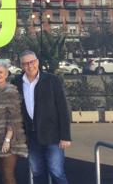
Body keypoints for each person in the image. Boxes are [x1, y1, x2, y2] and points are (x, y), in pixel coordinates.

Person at [13, 50, 71, 184]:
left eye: (32, 62)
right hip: (32, 137)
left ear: (37, 62)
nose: (29, 66)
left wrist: (65, 136)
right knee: (37, 172)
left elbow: (63, 108)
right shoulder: (17, 82)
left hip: (53, 136)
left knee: (56, 171)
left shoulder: (52, 80)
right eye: (25, 63)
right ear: (21, 66)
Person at [0, 59, 28, 184]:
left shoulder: (11, 91)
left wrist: (7, 140)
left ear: (6, 74)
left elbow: (14, 118)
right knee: (1, 173)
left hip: (10, 139)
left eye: (1, 72)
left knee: (8, 174)